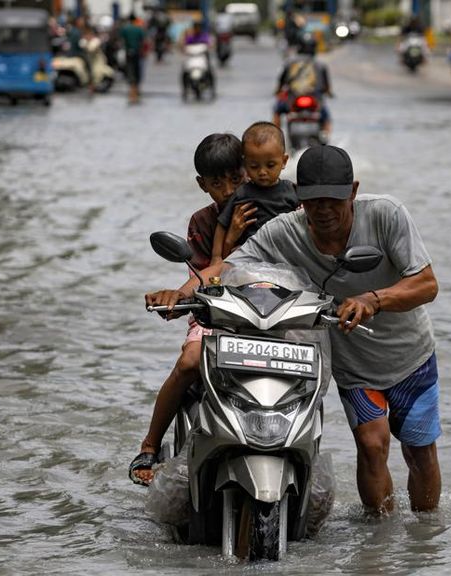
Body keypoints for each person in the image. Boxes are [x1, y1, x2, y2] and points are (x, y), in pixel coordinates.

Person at [146, 145, 443, 514]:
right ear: (300, 197)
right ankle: (379, 536)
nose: (324, 211)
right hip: (354, 367)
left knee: (419, 452)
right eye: (314, 201)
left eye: (333, 201)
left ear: (353, 191)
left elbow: (427, 284)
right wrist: (181, 294)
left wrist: (373, 300)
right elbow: (226, 268)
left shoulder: (387, 215)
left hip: (411, 357)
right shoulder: (284, 231)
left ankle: (424, 537)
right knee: (371, 444)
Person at [129, 133, 246, 486]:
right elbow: (207, 276)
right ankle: (150, 444)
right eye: (217, 183)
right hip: (216, 312)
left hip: (270, 317)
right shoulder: (203, 222)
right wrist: (178, 297)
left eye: (235, 179)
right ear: (202, 184)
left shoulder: (273, 209)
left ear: (249, 172)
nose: (228, 190)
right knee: (190, 362)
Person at [212, 122, 299, 262]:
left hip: (285, 256)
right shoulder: (242, 193)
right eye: (254, 166)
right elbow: (222, 225)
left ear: (284, 161)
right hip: (250, 255)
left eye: (270, 165)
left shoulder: (292, 190)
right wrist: (216, 257)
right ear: (245, 164)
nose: (262, 172)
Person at [272, 33, 334, 140]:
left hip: (293, 99)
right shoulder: (320, 65)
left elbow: (282, 81)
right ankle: (325, 133)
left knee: (277, 110)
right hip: (314, 99)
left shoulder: (289, 63)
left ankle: (276, 136)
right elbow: (326, 85)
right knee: (325, 116)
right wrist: (329, 93)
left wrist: (278, 91)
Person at [118, 14, 146, 103]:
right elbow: (143, 41)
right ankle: (136, 90)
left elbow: (121, 40)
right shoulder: (138, 29)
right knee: (137, 71)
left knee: (130, 71)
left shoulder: (125, 29)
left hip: (128, 53)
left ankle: (131, 91)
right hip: (137, 53)